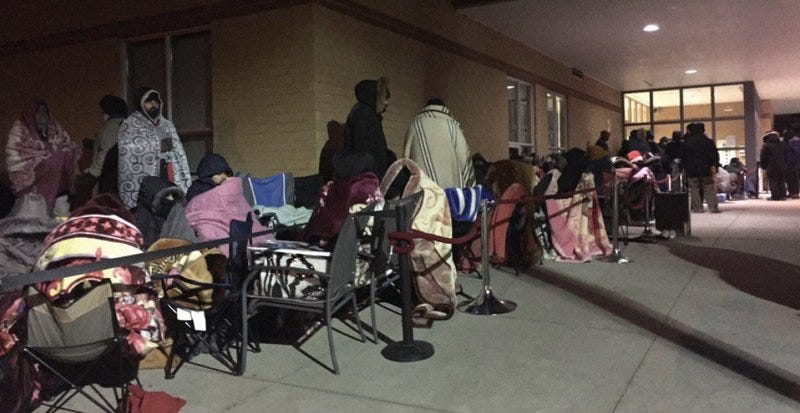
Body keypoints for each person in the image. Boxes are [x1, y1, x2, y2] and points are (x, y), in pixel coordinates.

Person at [118, 87, 191, 209]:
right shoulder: (130, 125)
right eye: (148, 101)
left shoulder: (166, 124)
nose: (153, 105)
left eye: (155, 101)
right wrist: (157, 146)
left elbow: (178, 150)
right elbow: (127, 149)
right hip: (145, 177)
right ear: (141, 103)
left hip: (166, 172)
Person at [184, 154, 271, 257]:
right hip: (214, 225)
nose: (224, 176)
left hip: (233, 225)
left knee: (253, 231)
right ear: (208, 174)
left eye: (226, 173)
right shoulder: (197, 190)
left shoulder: (225, 188)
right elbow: (200, 210)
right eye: (220, 173)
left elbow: (239, 209)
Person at [5, 99, 80, 213]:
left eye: (45, 112)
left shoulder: (55, 129)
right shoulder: (20, 131)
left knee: (60, 218)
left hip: (59, 190)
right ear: (32, 114)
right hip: (32, 193)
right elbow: (16, 157)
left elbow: (69, 148)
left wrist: (56, 153)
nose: (43, 115)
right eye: (39, 112)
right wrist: (47, 155)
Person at [403, 98, 475, 189]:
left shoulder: (415, 125)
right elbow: (464, 160)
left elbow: (407, 160)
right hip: (451, 192)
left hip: (423, 190)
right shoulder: (453, 126)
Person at [72, 95, 128, 210]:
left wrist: (89, 175)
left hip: (109, 180)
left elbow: (106, 153)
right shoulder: (126, 125)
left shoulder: (111, 127)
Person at [345, 77, 390, 178]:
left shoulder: (361, 113)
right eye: (385, 98)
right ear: (373, 95)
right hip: (369, 177)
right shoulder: (365, 115)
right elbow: (367, 150)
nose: (386, 103)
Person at [682, 123, 720, 212]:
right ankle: (713, 208)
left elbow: (684, 157)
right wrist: (714, 165)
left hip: (691, 170)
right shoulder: (709, 142)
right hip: (706, 169)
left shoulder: (687, 142)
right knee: (709, 187)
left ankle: (698, 208)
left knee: (694, 189)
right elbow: (714, 156)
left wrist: (685, 167)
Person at [760, 130, 786, 201]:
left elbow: (763, 157)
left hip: (771, 166)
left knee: (773, 181)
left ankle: (775, 196)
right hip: (782, 166)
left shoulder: (766, 145)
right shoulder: (782, 144)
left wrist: (763, 166)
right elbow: (786, 155)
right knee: (781, 181)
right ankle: (783, 196)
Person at [783, 128, 800, 199]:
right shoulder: (790, 142)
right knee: (790, 178)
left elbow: (796, 154)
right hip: (791, 164)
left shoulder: (794, 143)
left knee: (793, 178)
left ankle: (795, 193)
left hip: (793, 164)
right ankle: (792, 192)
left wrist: (791, 163)